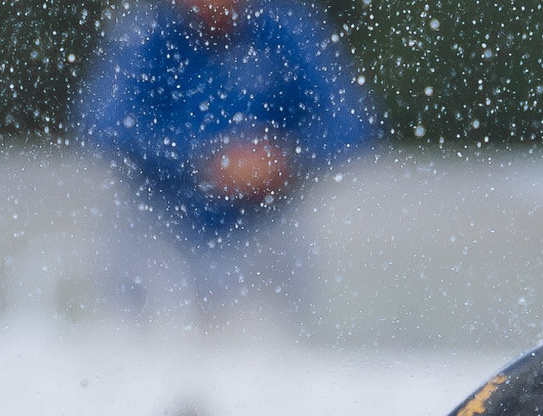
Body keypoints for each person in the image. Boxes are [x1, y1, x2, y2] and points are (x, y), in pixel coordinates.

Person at [72, 0, 377, 321]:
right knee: (127, 223)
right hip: (163, 221)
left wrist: (282, 159)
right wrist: (204, 159)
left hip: (261, 224)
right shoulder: (147, 29)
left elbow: (351, 122)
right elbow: (102, 125)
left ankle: (295, 340)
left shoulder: (287, 25)